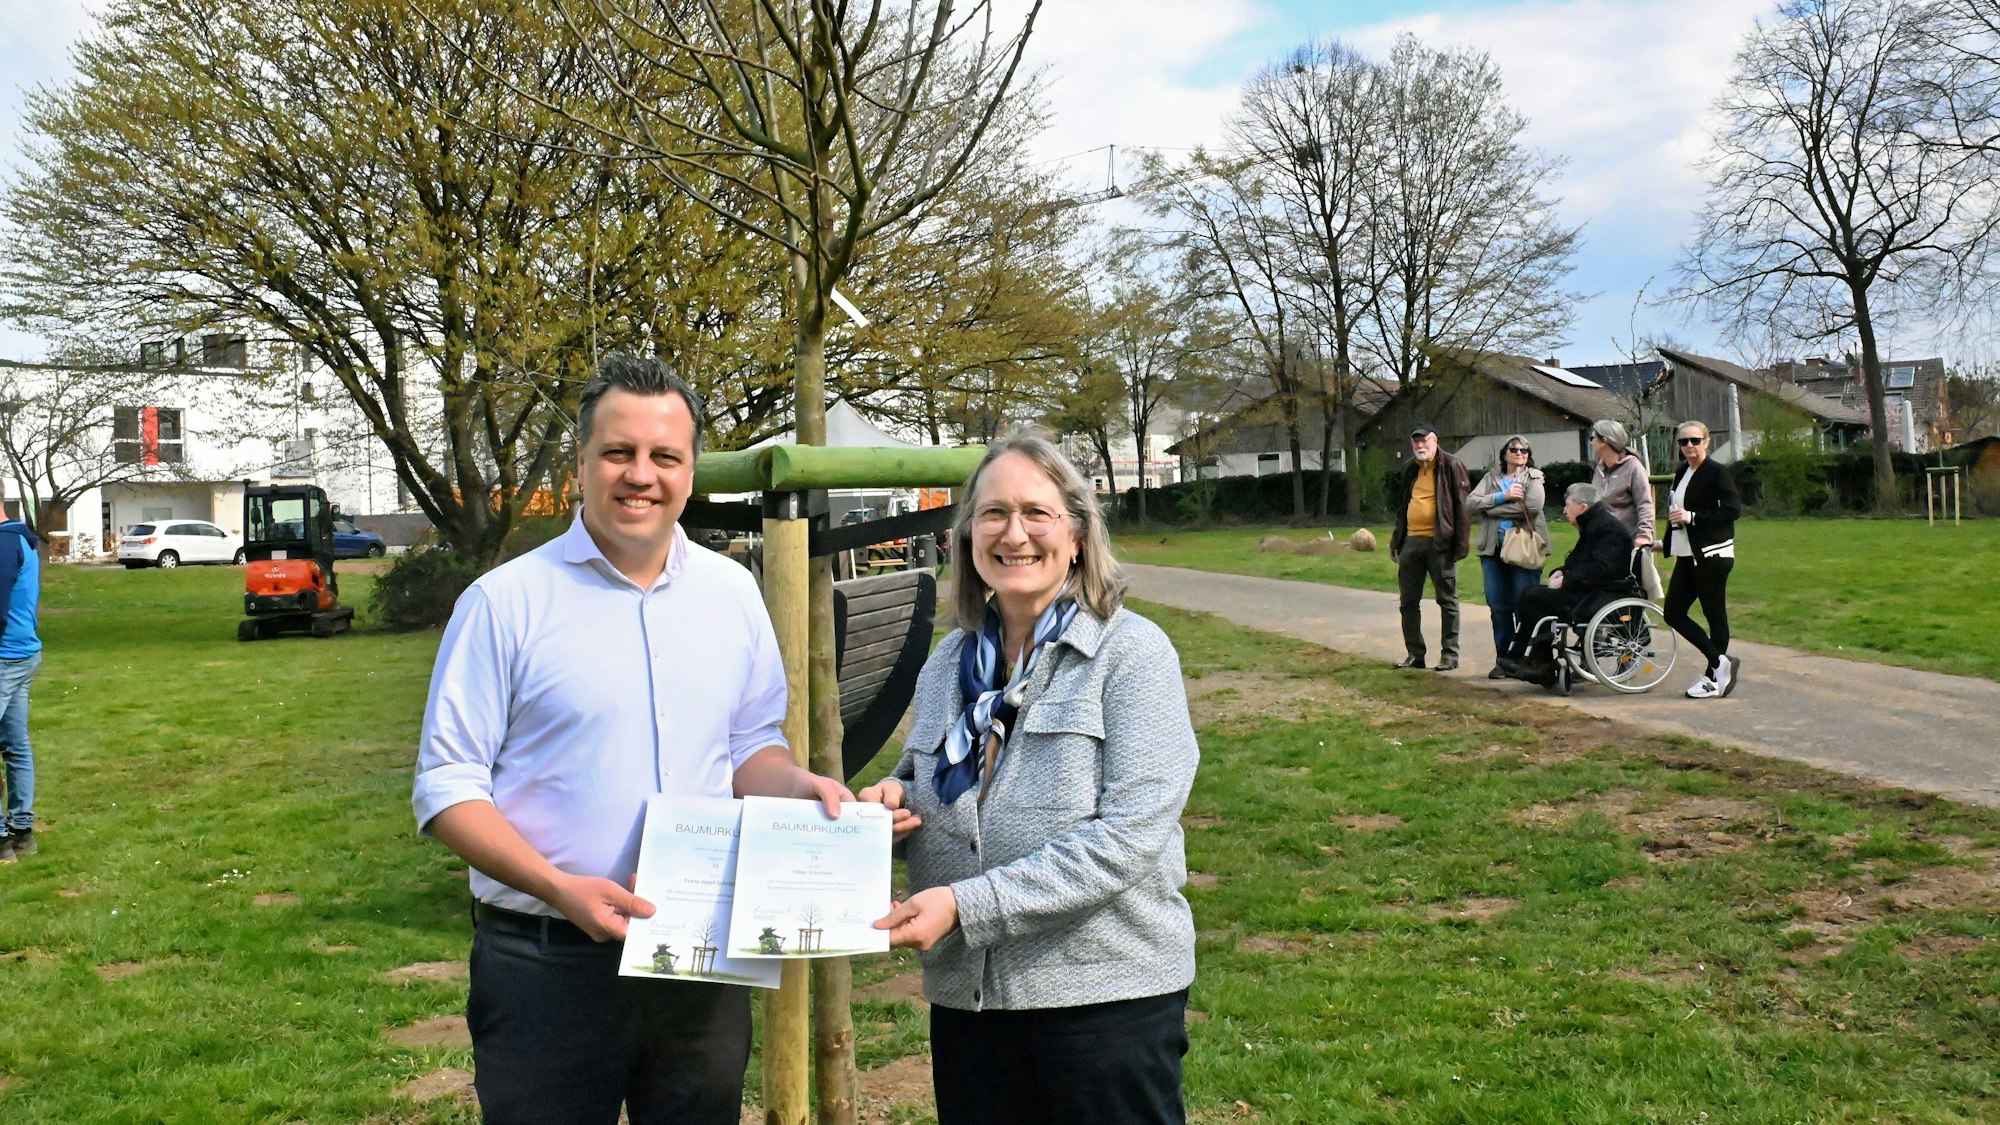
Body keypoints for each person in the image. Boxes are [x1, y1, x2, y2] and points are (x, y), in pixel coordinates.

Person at [411, 354, 854, 1125]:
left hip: (700, 955)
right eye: (618, 453)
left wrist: (800, 785)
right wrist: (559, 886)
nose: (639, 474)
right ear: (581, 462)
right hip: (546, 959)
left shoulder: (732, 593)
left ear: (690, 472)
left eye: (664, 456)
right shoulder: (505, 603)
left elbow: (752, 747)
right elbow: (447, 788)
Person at [859, 431, 1199, 1125]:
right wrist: (890, 804)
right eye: (992, 514)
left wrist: (965, 904)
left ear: (1076, 534)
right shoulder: (947, 663)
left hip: (1102, 1002)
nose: (1014, 533)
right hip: (970, 1001)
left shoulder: (1131, 656)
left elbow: (1125, 840)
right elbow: (932, 782)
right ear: (967, 539)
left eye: (1036, 513)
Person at [1496, 484, 1634, 684]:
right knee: (1531, 595)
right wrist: (1561, 571)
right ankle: (1527, 659)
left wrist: (1567, 580)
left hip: (1599, 596)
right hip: (1591, 591)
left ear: (1583, 507)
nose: (1564, 510)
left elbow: (1602, 569)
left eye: (1568, 505)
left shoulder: (1606, 529)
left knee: (1534, 598)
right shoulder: (1594, 525)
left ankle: (1538, 663)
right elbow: (1582, 562)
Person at [1662, 420, 1743, 699]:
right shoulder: (1682, 471)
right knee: (1673, 612)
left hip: (1714, 555)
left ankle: (1713, 677)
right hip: (1689, 555)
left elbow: (1733, 510)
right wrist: (1665, 542)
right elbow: (1678, 512)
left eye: (1695, 440)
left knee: (1714, 615)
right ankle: (1720, 663)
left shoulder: (1717, 473)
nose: (1689, 446)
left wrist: (1693, 517)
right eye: (1683, 442)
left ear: (1707, 442)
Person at [1389, 422, 1472, 672]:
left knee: (1446, 600)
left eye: (1424, 440)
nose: (1420, 445)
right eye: (1416, 441)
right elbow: (1403, 507)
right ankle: (1415, 654)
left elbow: (1462, 508)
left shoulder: (1451, 465)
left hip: (1440, 542)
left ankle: (1449, 655)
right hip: (1411, 541)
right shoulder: (1409, 469)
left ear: (1435, 440)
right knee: (1408, 601)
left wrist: (1460, 544)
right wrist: (1397, 541)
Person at [1466, 435, 1547, 679]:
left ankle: (1526, 659)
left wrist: (1489, 510)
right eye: (1514, 449)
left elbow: (1533, 506)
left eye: (1524, 450)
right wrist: (1502, 496)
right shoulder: (1490, 478)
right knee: (1498, 607)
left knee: (1525, 606)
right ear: (1504, 454)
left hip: (1524, 549)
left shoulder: (1534, 477)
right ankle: (1503, 660)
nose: (1519, 453)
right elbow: (1470, 503)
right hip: (1492, 551)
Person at [0, 517, 41, 864]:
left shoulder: (3, 543)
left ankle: (1, 840)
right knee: (16, 744)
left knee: (15, 745)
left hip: (4, 658)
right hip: (23, 653)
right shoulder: (22, 539)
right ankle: (23, 834)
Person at [1589, 418, 1660, 599]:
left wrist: (1645, 534)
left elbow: (1644, 503)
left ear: (1605, 440)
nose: (1591, 441)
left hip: (1625, 539)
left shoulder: (1633, 467)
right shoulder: (1599, 469)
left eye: (1593, 437)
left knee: (1623, 592)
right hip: (1602, 540)